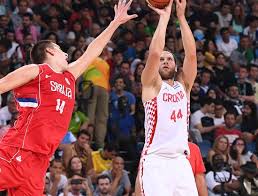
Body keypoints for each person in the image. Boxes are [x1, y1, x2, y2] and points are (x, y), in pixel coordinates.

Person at [0, 1, 136, 195]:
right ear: (49, 51)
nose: (66, 54)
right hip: (20, 150)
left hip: (40, 162)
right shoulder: (37, 70)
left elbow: (91, 53)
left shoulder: (69, 77)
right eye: (61, 50)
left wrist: (115, 23)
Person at [138, 0, 198, 195]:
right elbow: (154, 53)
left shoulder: (184, 86)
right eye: (162, 60)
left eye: (169, 59)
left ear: (175, 65)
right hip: (156, 161)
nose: (164, 61)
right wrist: (164, 18)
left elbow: (191, 55)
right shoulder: (151, 86)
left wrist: (181, 17)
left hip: (181, 162)